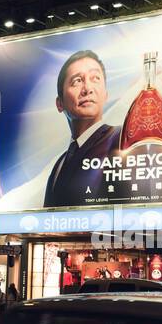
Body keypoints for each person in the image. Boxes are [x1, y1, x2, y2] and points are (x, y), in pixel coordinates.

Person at [44, 50, 118, 208]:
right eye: (77, 81)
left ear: (106, 94)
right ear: (59, 103)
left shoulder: (121, 141)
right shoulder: (60, 164)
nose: (87, 88)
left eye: (95, 78)